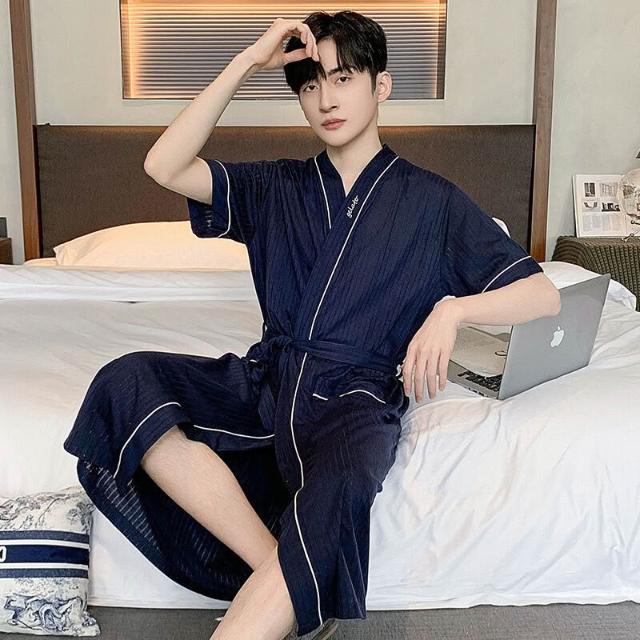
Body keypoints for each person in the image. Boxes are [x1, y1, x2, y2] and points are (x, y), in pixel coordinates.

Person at [63, 11, 561, 640]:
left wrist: (453, 309)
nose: (326, 99)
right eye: (309, 85)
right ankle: (281, 574)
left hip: (356, 399)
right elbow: (164, 164)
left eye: (343, 78)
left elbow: (542, 295)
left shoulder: (434, 202)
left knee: (343, 486)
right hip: (268, 383)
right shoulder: (276, 186)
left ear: (381, 86)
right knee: (128, 381)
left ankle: (281, 590)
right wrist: (248, 61)